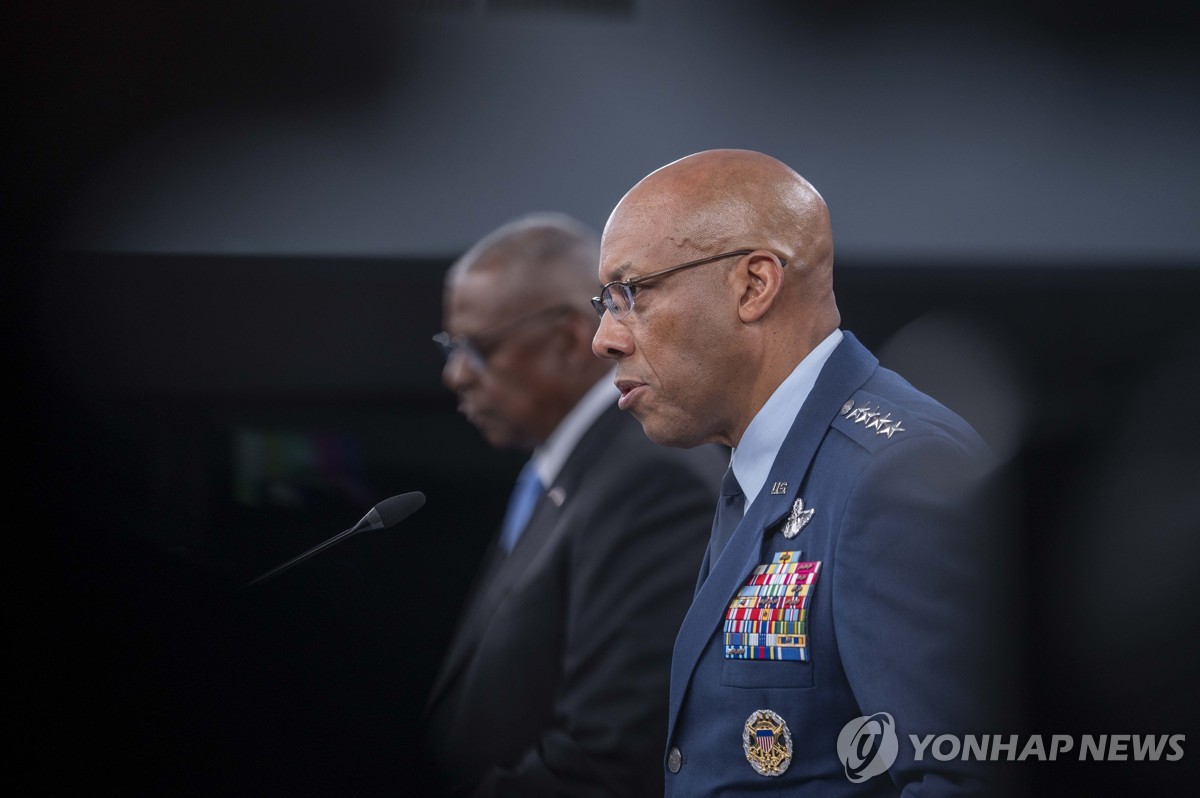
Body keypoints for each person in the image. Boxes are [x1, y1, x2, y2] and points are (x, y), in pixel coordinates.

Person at [591, 150, 1006, 796]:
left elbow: (965, 778)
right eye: (604, 301)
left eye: (630, 293)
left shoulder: (897, 476)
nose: (604, 338)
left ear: (755, 286)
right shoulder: (761, 470)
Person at [424, 212, 725, 797]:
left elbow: (611, 758)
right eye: (450, 346)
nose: (456, 375)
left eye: (478, 348)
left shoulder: (650, 481)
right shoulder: (562, 471)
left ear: (566, 339)